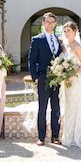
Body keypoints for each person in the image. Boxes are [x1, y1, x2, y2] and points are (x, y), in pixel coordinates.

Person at [28, 12, 62, 146]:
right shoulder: (37, 39)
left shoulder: (59, 40)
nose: (49, 24)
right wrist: (35, 77)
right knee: (42, 108)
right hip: (42, 78)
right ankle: (41, 137)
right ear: (43, 23)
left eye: (52, 22)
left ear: (55, 24)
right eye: (47, 22)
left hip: (57, 79)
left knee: (56, 108)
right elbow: (31, 60)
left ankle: (55, 136)